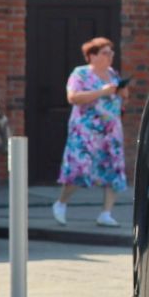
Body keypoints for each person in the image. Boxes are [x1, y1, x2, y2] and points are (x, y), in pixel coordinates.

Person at [54, 36, 127, 227]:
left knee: (113, 169)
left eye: (111, 53)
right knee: (79, 167)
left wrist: (121, 94)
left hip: (110, 130)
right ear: (92, 56)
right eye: (105, 53)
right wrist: (102, 92)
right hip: (85, 130)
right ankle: (61, 203)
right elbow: (73, 98)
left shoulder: (113, 74)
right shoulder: (80, 74)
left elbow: (118, 101)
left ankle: (106, 213)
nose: (110, 56)